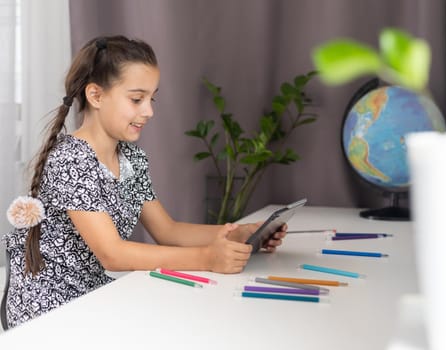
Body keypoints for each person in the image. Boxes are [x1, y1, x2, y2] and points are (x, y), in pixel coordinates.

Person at [2, 35, 287, 329]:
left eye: (152, 99)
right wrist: (208, 258)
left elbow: (168, 230)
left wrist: (241, 235)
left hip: (93, 298)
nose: (149, 111)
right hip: (50, 309)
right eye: (137, 99)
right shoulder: (70, 160)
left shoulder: (132, 159)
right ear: (96, 96)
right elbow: (112, 254)